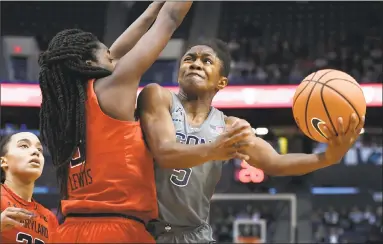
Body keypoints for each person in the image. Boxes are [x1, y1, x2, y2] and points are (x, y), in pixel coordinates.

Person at [137, 39, 365, 243]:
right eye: (189, 59)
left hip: (194, 234)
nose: (196, 64)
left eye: (207, 61)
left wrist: (327, 157)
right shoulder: (157, 97)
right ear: (179, 72)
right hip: (145, 230)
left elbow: (276, 163)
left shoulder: (229, 127)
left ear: (221, 82)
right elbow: (163, 152)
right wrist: (213, 149)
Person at [38, 1, 193, 243]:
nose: (115, 59)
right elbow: (171, 18)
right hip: (117, 229)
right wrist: (163, 10)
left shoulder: (67, 110)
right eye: (108, 56)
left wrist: (153, 8)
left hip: (69, 231)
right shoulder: (111, 88)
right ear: (89, 64)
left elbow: (115, 52)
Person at [1, 132, 59, 244]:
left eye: (40, 149)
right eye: (24, 146)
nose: (35, 152)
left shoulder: (50, 218)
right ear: (3, 162)